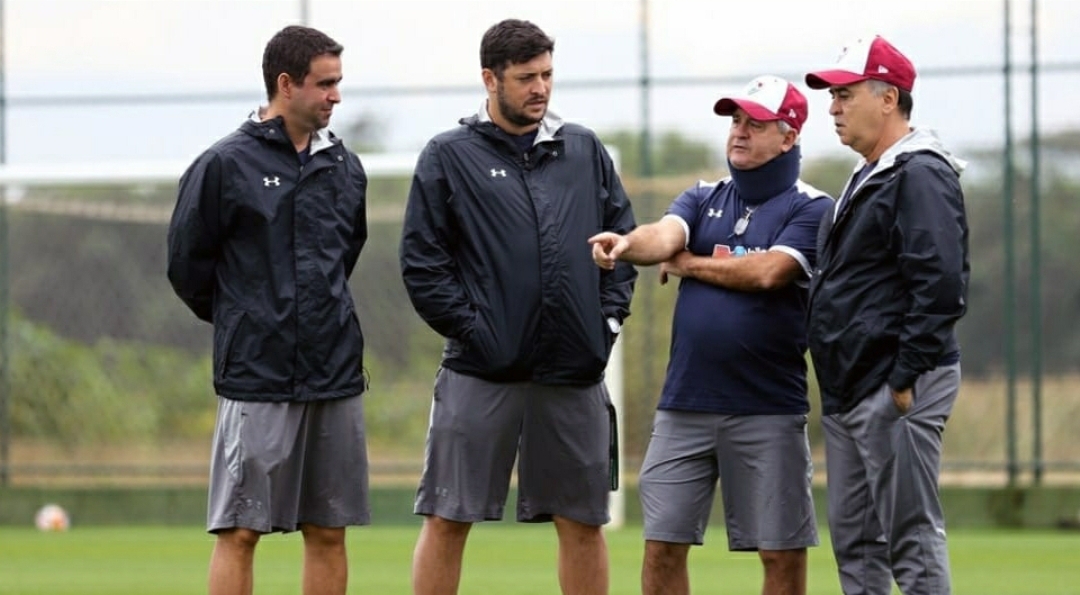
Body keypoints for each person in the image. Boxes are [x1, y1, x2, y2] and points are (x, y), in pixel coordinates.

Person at [399, 18, 637, 595]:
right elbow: (423, 265)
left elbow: (622, 243)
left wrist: (604, 322)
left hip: (573, 370)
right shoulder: (447, 155)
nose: (541, 88)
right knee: (448, 516)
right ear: (490, 78)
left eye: (548, 74)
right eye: (526, 77)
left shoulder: (584, 149)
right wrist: (480, 332)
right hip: (481, 369)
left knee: (583, 521)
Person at [590, 75, 832, 595]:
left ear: (789, 137)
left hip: (768, 407)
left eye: (755, 123)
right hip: (684, 405)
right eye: (735, 120)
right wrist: (627, 243)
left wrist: (687, 266)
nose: (739, 133)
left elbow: (769, 272)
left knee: (780, 556)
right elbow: (664, 234)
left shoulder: (811, 207)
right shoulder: (703, 197)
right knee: (661, 548)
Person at [166, 25, 369, 595]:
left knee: (330, 531)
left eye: (338, 83)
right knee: (240, 530)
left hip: (335, 374)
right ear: (286, 84)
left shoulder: (346, 168)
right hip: (257, 376)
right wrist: (249, 319)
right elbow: (188, 267)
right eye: (325, 84)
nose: (336, 96)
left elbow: (344, 255)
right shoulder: (223, 165)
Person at [803, 34, 970, 595]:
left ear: (889, 98)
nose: (832, 107)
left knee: (911, 542)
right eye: (832, 96)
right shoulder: (873, 170)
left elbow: (941, 283)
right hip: (853, 388)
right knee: (858, 549)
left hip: (893, 386)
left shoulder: (919, 171)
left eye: (845, 94)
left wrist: (904, 377)